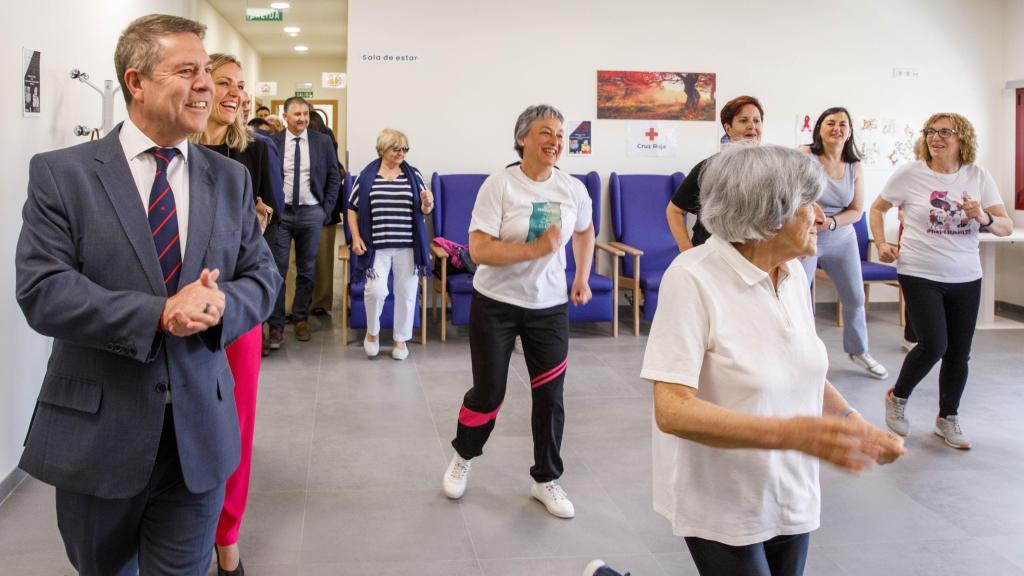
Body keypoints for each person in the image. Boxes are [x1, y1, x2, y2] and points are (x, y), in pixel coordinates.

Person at [15, 14, 280, 575]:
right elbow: (44, 290)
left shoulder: (229, 179)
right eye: (188, 70)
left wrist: (223, 304)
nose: (208, 85)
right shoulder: (63, 175)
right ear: (135, 82)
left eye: (207, 70)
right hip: (98, 435)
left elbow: (263, 278)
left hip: (198, 437)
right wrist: (159, 312)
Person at [643, 146, 904, 576]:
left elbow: (802, 369)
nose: (821, 217)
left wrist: (852, 421)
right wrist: (791, 434)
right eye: (809, 204)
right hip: (724, 499)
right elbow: (672, 409)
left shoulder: (793, 272)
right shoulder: (692, 277)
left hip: (793, 488)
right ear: (767, 214)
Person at [442, 104, 596, 519]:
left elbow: (584, 230)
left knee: (550, 397)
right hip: (496, 304)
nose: (555, 141)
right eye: (546, 132)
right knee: (489, 392)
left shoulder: (572, 190)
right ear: (522, 138)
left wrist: (581, 276)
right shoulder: (499, 186)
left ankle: (546, 479)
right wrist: (535, 249)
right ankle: (464, 456)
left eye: (561, 134)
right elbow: (478, 249)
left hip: (549, 308)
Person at [870, 112, 1013, 450]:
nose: (936, 138)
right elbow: (877, 209)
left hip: (965, 275)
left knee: (959, 354)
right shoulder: (910, 173)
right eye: (930, 132)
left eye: (945, 132)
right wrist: (881, 243)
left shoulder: (978, 176)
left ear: (962, 137)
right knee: (934, 344)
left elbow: (1004, 226)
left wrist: (983, 216)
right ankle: (898, 396)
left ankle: (947, 419)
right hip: (919, 271)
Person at [189, 53, 277, 576]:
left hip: (236, 300)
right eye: (224, 82)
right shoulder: (173, 150)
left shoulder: (253, 151)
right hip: (175, 299)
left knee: (236, 422)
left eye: (240, 86)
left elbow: (267, 222)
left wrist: (257, 225)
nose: (234, 93)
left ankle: (227, 535)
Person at [798, 107, 888, 379]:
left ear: (849, 132)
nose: (837, 128)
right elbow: (789, 190)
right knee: (799, 296)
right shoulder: (805, 155)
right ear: (819, 129)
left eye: (843, 124)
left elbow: (857, 209)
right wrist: (811, 213)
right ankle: (802, 355)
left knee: (854, 296)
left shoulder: (855, 166)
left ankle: (858, 350)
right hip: (806, 233)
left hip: (841, 235)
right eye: (830, 123)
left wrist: (832, 223)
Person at [348, 129, 433, 359]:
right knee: (376, 291)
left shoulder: (413, 174)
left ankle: (400, 340)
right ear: (383, 148)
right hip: (376, 246)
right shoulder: (367, 175)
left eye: (405, 149)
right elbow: (352, 209)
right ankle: (372, 333)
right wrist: (356, 237)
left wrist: (427, 204)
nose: (402, 153)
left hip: (408, 246)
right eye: (397, 148)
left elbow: (424, 210)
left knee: (406, 293)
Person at [266, 96, 341, 349]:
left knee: (307, 270)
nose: (302, 119)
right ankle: (275, 326)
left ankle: (300, 318)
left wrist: (325, 210)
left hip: (311, 213)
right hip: (282, 214)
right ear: (285, 117)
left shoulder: (322, 142)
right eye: (296, 114)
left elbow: (333, 177)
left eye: (305, 114)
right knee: (278, 270)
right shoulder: (272, 143)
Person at [666, 95, 763, 251]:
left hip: (753, 259)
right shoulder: (709, 168)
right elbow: (674, 210)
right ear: (728, 128)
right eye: (743, 120)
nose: (752, 126)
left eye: (757, 120)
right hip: (711, 258)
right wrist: (687, 252)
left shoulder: (771, 170)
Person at [309, 109, 344, 317]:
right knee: (309, 261)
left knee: (322, 260)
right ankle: (314, 302)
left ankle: (320, 302)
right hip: (304, 212)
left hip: (324, 213)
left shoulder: (326, 143)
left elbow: (334, 178)